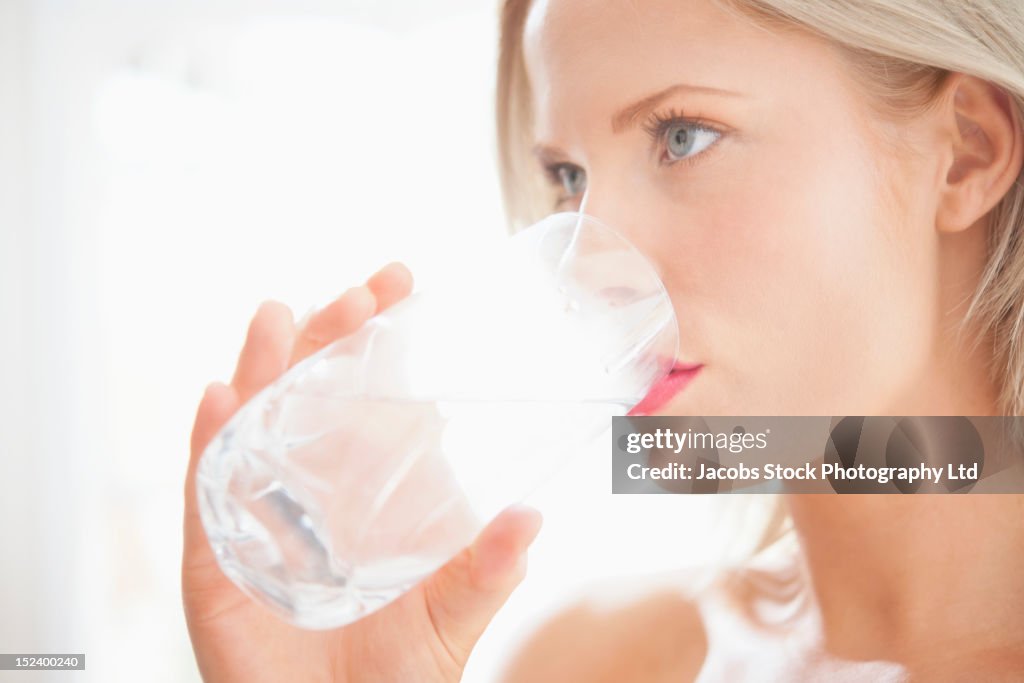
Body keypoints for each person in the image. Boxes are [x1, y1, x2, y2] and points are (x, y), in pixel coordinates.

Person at [183, 0, 1024, 679]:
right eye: (569, 178)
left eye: (682, 136)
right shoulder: (592, 664)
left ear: (967, 153)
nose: (584, 274)